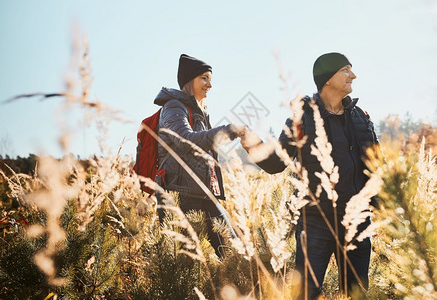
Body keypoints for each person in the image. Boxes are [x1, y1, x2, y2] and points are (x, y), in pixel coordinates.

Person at [241, 53, 378, 298]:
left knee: (356, 294)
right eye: (346, 70)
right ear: (327, 79)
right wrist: (251, 143)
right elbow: (275, 162)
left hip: (357, 221)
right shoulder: (303, 118)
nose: (353, 75)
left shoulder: (361, 117)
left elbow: (375, 169)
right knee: (306, 294)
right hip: (316, 222)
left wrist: (386, 210)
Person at [154, 54, 243, 258]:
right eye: (204, 78)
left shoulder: (200, 112)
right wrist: (228, 131)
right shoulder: (173, 107)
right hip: (180, 195)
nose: (209, 85)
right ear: (189, 80)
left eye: (209, 79)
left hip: (204, 193)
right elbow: (186, 140)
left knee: (232, 252)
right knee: (184, 263)